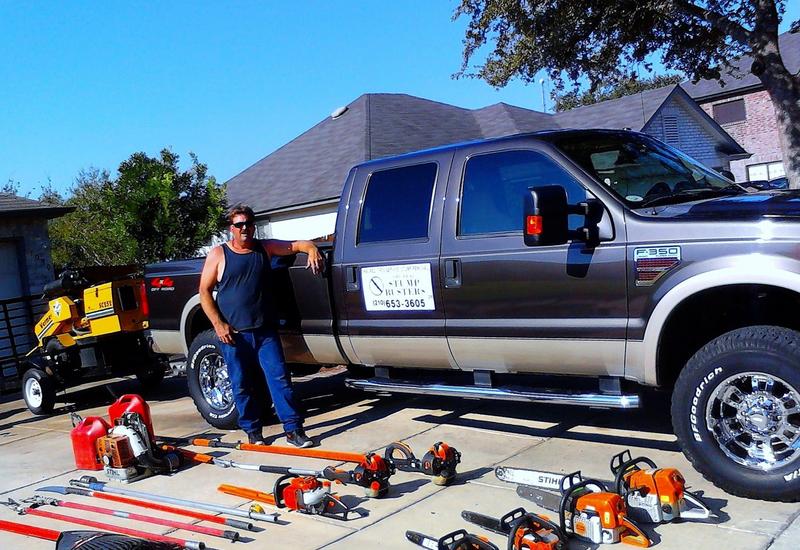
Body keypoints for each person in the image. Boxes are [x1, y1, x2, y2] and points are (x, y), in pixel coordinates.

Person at [199, 203, 323, 447]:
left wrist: (311, 249)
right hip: (234, 335)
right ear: (231, 228)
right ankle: (253, 431)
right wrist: (218, 324)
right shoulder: (219, 254)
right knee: (241, 384)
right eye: (239, 225)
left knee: (280, 380)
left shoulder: (265, 248)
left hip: (266, 332)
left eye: (248, 224)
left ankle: (294, 430)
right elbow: (204, 291)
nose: (244, 228)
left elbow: (297, 245)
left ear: (254, 226)